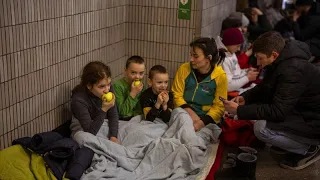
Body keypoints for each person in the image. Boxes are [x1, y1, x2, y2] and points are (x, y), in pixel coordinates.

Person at [223, 31, 320, 170]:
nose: (258, 62)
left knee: (261, 128)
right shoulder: (282, 59)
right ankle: (292, 143)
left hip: (313, 122)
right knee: (256, 113)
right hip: (301, 112)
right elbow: (265, 86)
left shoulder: (292, 70)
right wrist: (245, 97)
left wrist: (239, 110)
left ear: (274, 54)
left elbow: (278, 111)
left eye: (260, 58)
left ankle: (308, 148)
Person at [171, 37, 228, 131]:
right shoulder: (184, 69)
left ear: (208, 58)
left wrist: (200, 123)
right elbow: (176, 94)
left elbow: (219, 107)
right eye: (191, 55)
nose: (191, 59)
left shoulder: (220, 76)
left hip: (206, 118)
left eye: (195, 56)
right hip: (183, 113)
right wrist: (191, 114)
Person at [70, 61, 119, 144]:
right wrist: (104, 109)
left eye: (109, 84)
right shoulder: (78, 100)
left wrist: (113, 137)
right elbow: (89, 132)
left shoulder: (108, 89)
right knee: (83, 138)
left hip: (103, 124)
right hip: (86, 131)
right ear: (89, 85)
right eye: (102, 86)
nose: (107, 90)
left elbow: (113, 115)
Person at [216, 28, 259, 92]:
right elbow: (227, 86)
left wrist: (246, 71)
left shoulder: (231, 52)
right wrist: (247, 78)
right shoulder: (223, 59)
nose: (238, 49)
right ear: (229, 43)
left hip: (236, 88)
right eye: (237, 46)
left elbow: (236, 72)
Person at [113, 56, 145, 120]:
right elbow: (123, 112)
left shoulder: (141, 85)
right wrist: (133, 94)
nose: (137, 77)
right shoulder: (117, 86)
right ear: (125, 71)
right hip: (124, 120)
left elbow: (142, 109)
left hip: (139, 119)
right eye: (133, 72)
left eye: (141, 73)